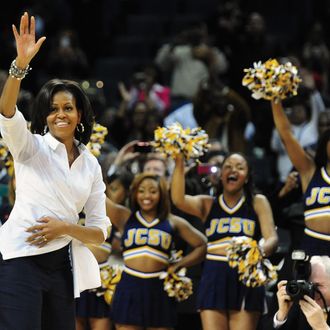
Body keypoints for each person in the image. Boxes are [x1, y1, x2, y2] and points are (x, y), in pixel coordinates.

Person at [0, 12, 110, 330]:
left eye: (67, 108)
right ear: (44, 116)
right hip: (19, 259)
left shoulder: (90, 164)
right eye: (52, 109)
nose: (59, 114)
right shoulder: (29, 147)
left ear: (79, 115)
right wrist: (20, 65)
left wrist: (65, 227)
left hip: (61, 265)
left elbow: (100, 230)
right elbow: (7, 112)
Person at [171, 152, 278, 330]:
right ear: (220, 175)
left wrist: (259, 252)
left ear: (247, 177)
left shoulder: (257, 202)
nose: (233, 170)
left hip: (245, 276)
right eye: (227, 166)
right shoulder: (207, 204)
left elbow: (272, 238)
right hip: (213, 276)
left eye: (240, 167)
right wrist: (180, 162)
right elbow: (178, 199)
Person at [106, 172, 207, 329]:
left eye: (153, 191)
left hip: (159, 289)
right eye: (141, 191)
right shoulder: (124, 216)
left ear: (161, 194)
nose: (147, 196)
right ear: (134, 194)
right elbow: (98, 196)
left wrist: (180, 264)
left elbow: (202, 245)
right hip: (129, 286)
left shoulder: (173, 221)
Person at [270, 97, 330, 256]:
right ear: (326, 143)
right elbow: (286, 135)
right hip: (313, 248)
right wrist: (274, 98)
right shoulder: (310, 171)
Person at [272, 255, 330, 329]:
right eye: (306, 284)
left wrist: (321, 326)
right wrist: (281, 315)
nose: (311, 289)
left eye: (317, 285)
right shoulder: (298, 304)